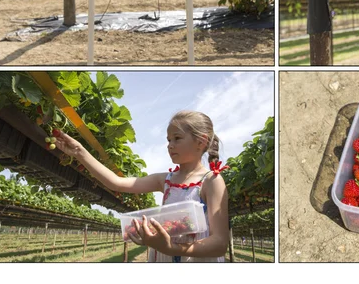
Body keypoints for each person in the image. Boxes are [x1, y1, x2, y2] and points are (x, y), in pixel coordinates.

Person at [54, 110, 229, 262]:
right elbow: (117, 182)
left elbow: (220, 243)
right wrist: (79, 152)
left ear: (201, 141)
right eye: (168, 140)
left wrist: (172, 248)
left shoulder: (212, 181)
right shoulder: (165, 180)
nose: (170, 145)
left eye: (177, 138)